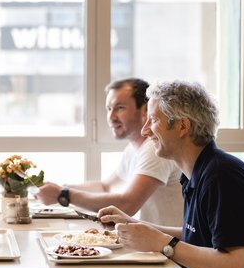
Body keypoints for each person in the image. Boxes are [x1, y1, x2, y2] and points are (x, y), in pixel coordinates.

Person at [96, 80, 244, 268]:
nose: (145, 130)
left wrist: (162, 243)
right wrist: (135, 224)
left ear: (183, 126)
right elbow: (200, 237)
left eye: (153, 121)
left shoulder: (223, 177)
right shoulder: (197, 172)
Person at [36, 78, 183, 227]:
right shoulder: (133, 148)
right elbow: (105, 187)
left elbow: (127, 204)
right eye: (109, 109)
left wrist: (64, 195)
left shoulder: (154, 148)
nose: (111, 117)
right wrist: (60, 188)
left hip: (161, 247)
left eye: (120, 108)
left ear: (145, 110)